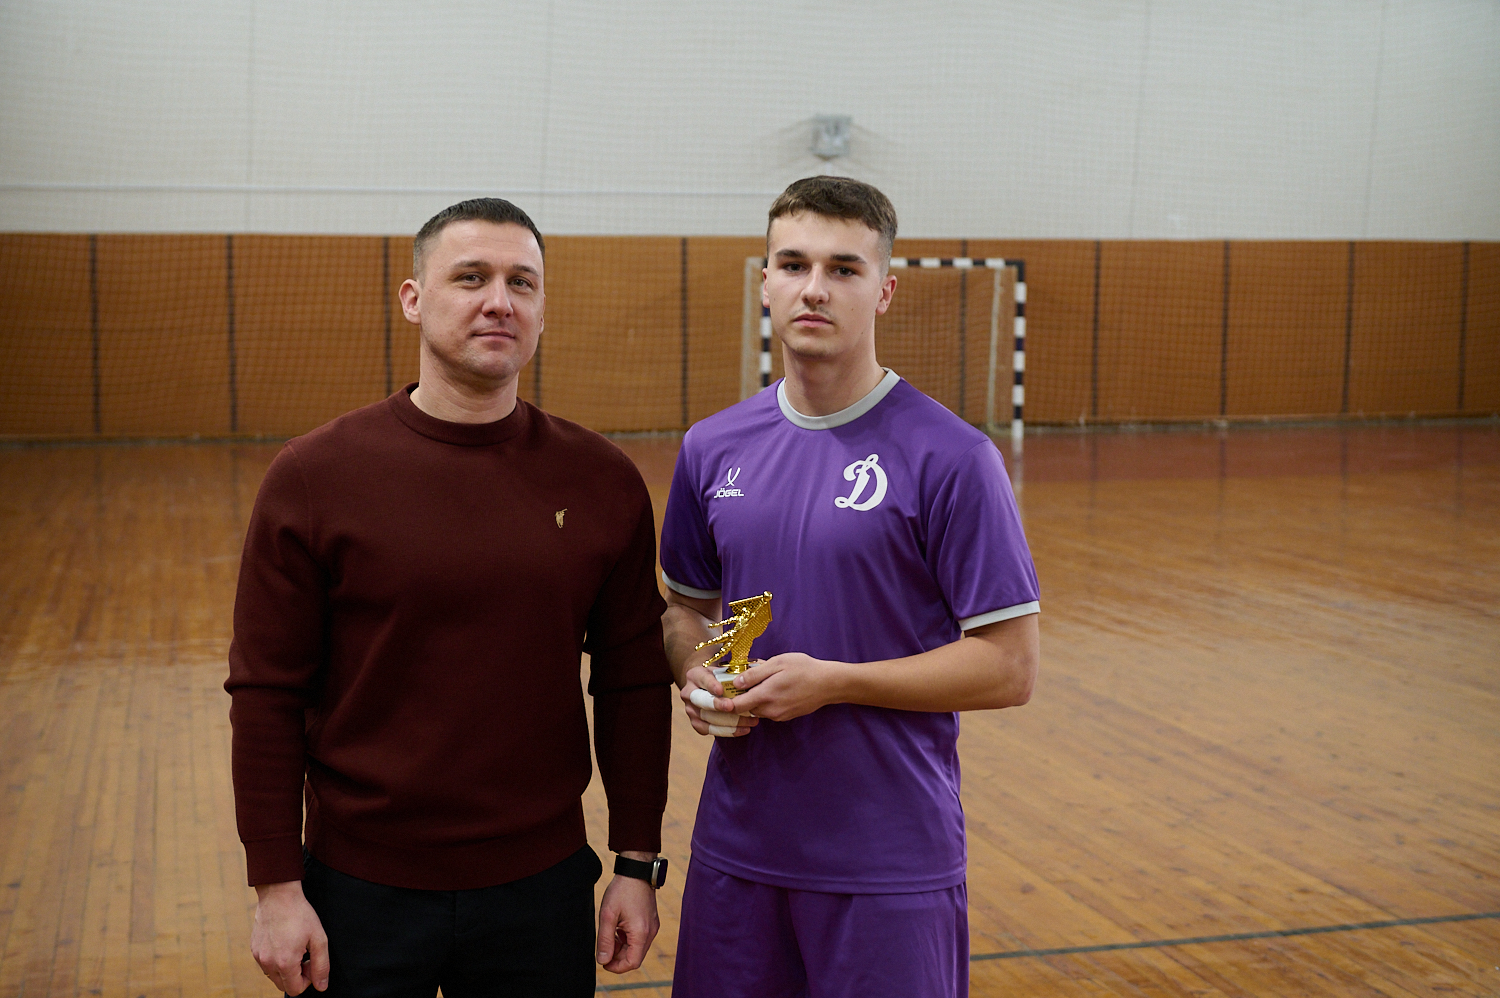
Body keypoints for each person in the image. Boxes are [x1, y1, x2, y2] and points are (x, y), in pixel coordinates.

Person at [226, 198, 674, 997]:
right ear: (413, 298)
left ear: (542, 310)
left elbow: (633, 681)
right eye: (471, 277)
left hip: (541, 890)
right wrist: (275, 886)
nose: (499, 301)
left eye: (521, 282)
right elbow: (266, 692)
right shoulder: (314, 476)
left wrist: (636, 863)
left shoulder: (601, 481)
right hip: (357, 891)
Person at [659, 176, 1040, 997]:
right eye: (793, 264)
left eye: (843, 268)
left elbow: (1009, 667)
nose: (814, 289)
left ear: (885, 290)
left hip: (888, 862)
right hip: (737, 855)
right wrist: (696, 670)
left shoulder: (953, 457)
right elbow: (685, 609)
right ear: (765, 280)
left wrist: (834, 683)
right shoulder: (712, 447)